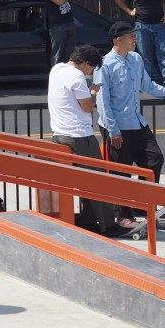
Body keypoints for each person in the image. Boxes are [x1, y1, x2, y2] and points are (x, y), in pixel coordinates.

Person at [95, 21, 165, 227]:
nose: (135, 39)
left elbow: (149, 85)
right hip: (117, 127)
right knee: (122, 171)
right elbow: (103, 101)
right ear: (119, 40)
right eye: (131, 36)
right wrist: (113, 130)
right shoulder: (105, 65)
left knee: (154, 159)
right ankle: (123, 216)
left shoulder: (136, 59)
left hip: (137, 123)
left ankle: (140, 203)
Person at [46, 44, 123, 233]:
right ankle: (109, 225)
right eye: (92, 68)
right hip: (80, 136)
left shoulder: (56, 69)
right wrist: (94, 91)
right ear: (87, 63)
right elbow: (87, 106)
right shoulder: (77, 76)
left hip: (59, 135)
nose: (91, 72)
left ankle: (88, 220)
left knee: (82, 182)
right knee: (98, 181)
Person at [43, 0, 87, 65]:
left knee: (70, 54)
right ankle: (56, 78)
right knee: (57, 55)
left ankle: (67, 77)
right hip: (57, 25)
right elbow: (59, 1)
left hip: (69, 22)